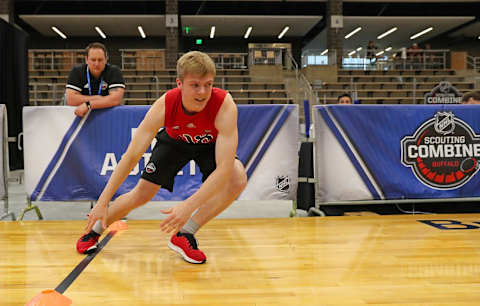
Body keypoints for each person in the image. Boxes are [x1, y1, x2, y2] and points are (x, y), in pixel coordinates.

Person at [76, 51, 247, 264]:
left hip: (208, 144)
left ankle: (185, 234)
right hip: (175, 142)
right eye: (195, 85)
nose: (203, 92)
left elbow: (223, 169)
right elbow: (131, 157)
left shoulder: (224, 105)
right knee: (141, 194)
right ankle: (95, 230)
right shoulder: (165, 105)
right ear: (180, 84)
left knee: (237, 177)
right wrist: (102, 201)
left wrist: (188, 206)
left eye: (208, 84)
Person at [65, 42, 125, 117]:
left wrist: (88, 104)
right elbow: (71, 100)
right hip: (82, 118)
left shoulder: (114, 72)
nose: (96, 64)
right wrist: (97, 98)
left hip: (109, 117)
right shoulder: (76, 72)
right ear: (86, 60)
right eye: (93, 60)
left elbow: (115, 100)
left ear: (106, 59)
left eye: (100, 60)